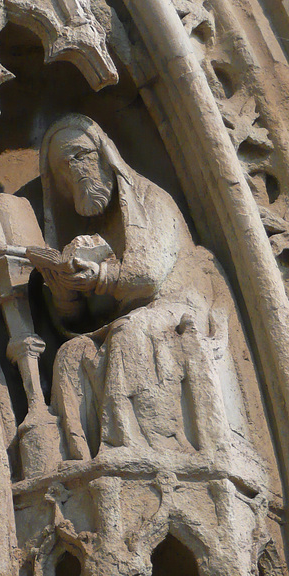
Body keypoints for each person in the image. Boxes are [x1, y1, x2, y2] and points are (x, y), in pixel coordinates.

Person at [34, 114, 237, 462]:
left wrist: (99, 277)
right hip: (127, 321)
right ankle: (81, 461)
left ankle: (138, 449)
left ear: (104, 151)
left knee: (131, 332)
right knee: (70, 355)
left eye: (82, 155)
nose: (76, 170)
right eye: (64, 166)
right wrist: (65, 294)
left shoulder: (150, 201)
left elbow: (148, 277)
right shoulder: (90, 230)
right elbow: (87, 319)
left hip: (178, 309)